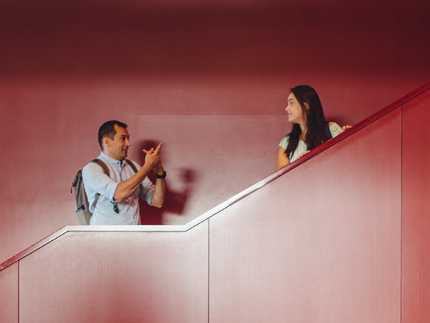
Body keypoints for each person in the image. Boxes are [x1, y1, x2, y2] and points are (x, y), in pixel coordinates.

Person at [82, 120, 166, 225]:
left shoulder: (133, 167)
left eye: (128, 138)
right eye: (123, 139)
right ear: (107, 142)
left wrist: (160, 173)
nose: (128, 143)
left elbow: (157, 201)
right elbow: (118, 194)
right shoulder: (92, 169)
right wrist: (148, 166)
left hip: (135, 238)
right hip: (105, 239)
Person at [277, 85, 346, 170]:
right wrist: (299, 164)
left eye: (291, 103)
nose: (286, 108)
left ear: (306, 105)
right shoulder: (286, 142)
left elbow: (345, 161)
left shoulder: (331, 129)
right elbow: (282, 178)